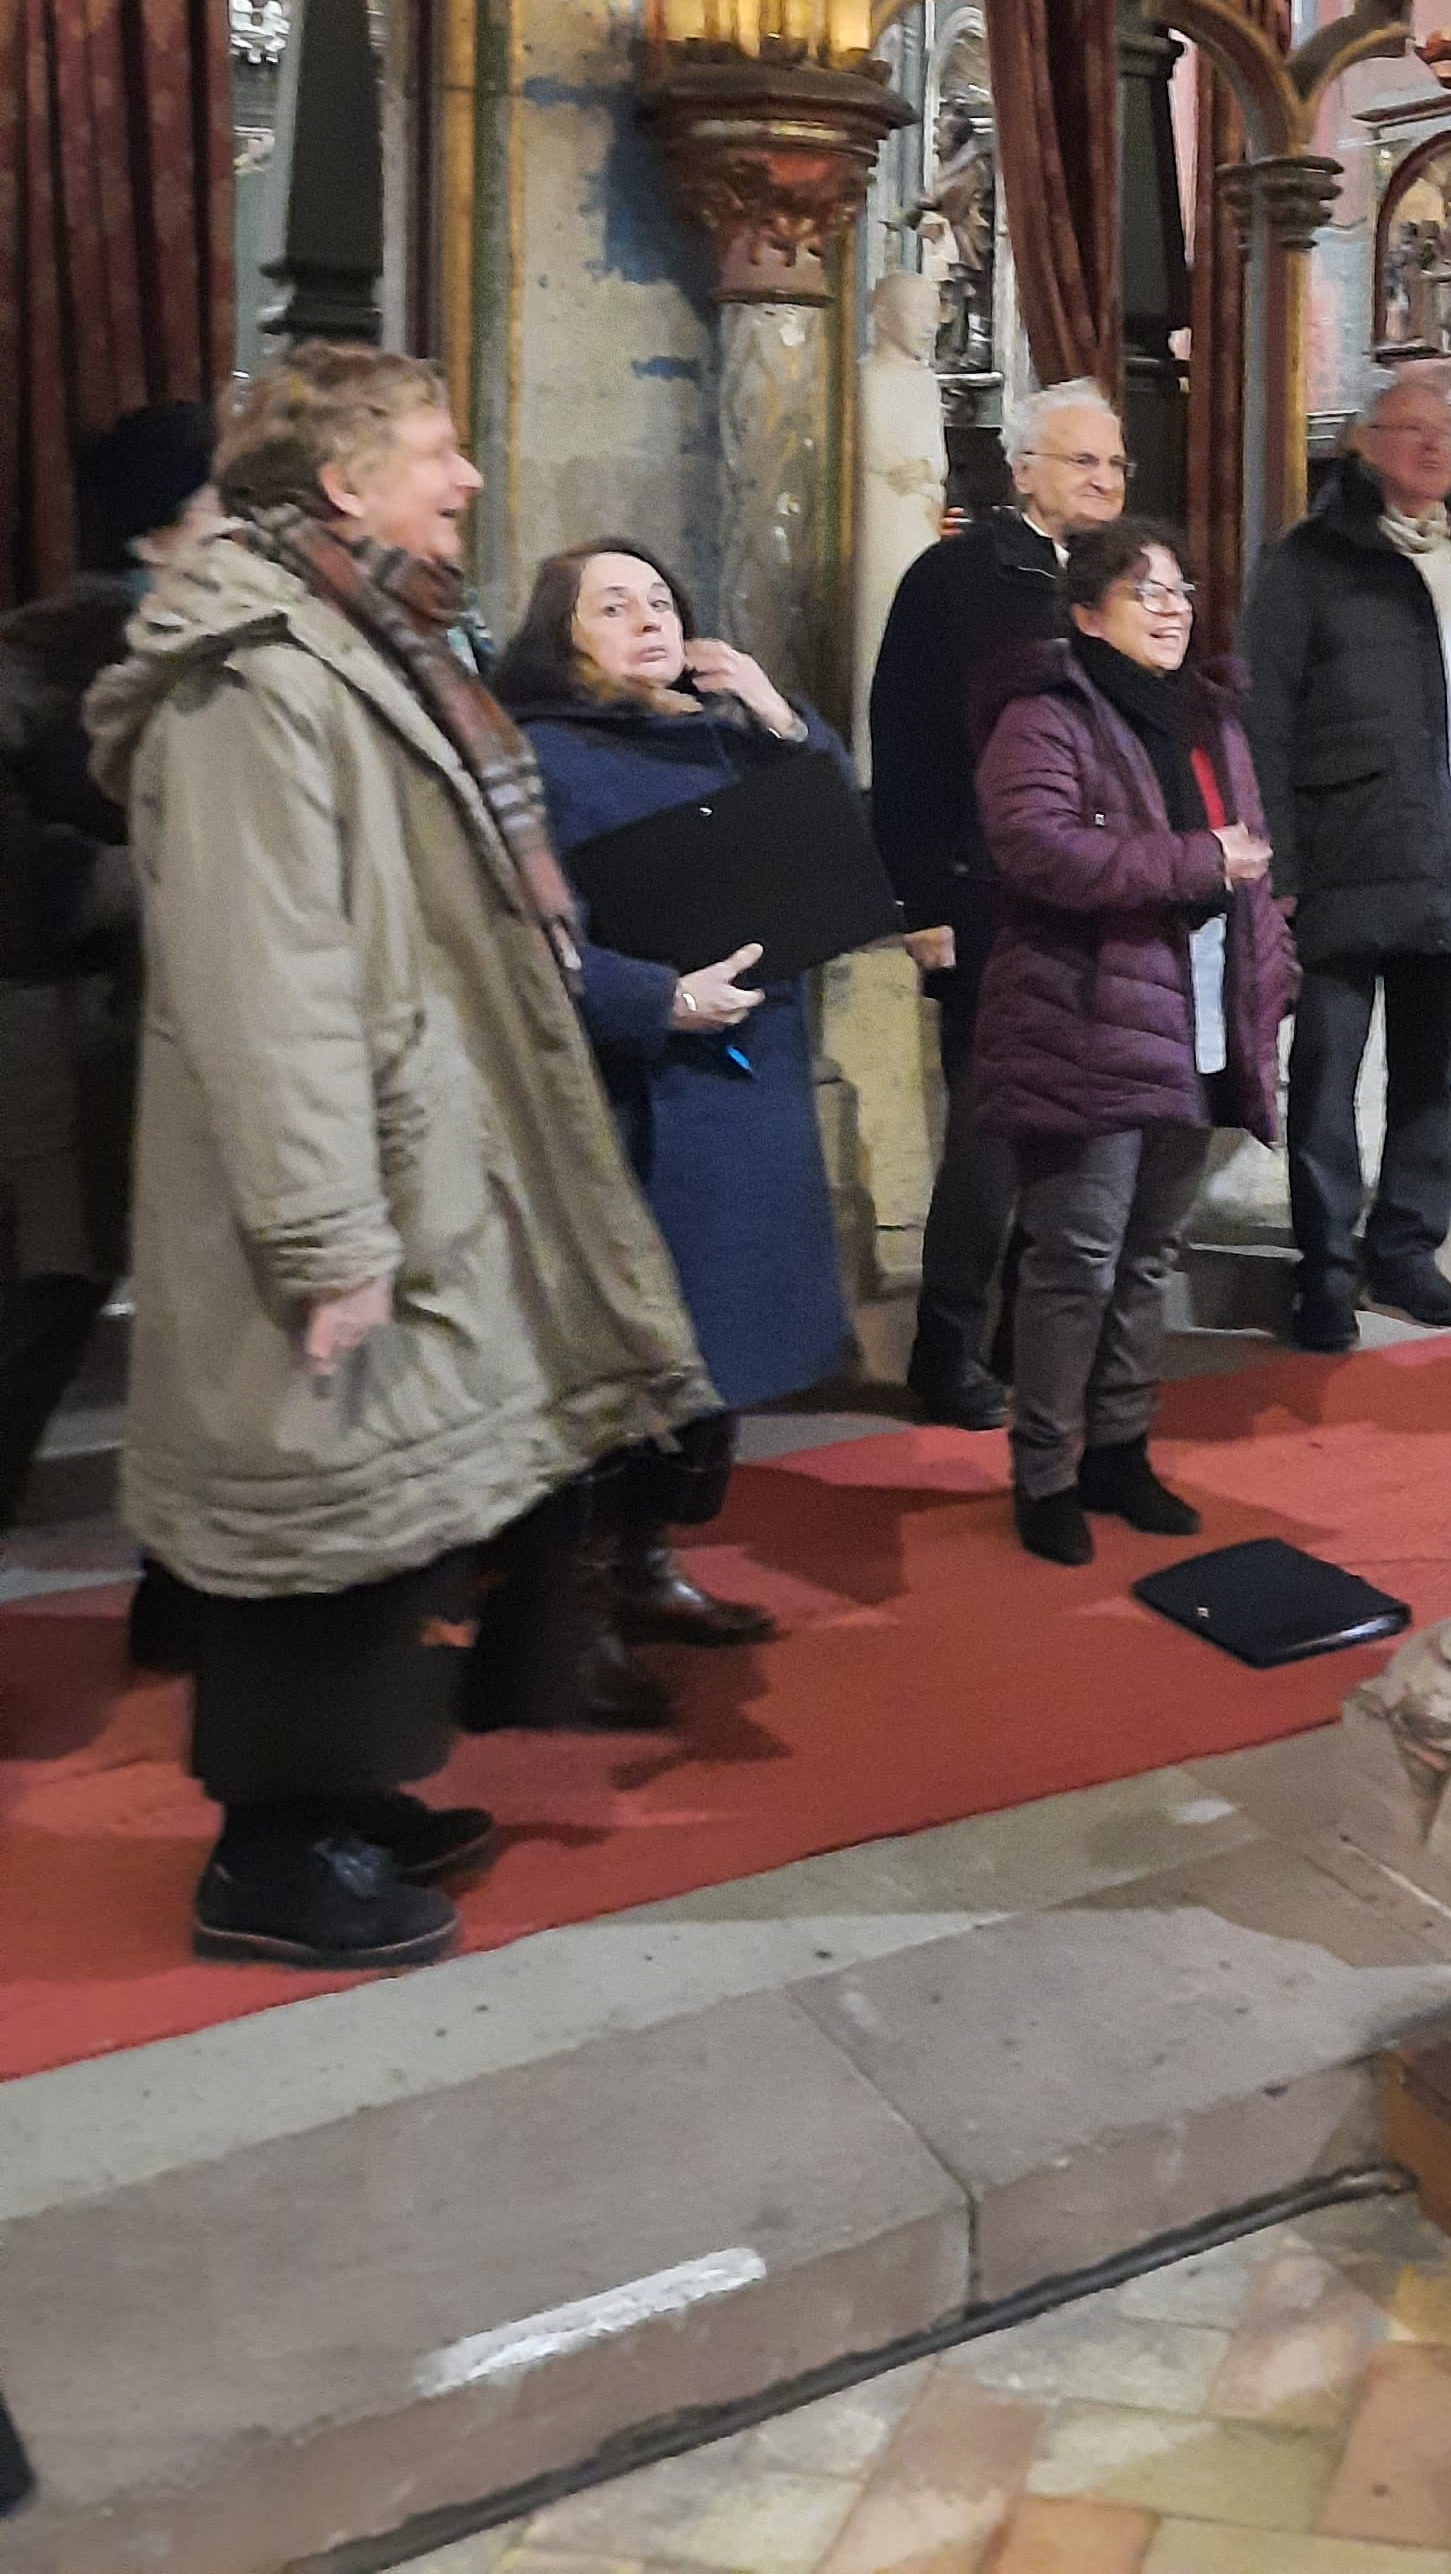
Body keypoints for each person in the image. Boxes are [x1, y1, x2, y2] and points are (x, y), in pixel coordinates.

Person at [85, 347, 713, 1971]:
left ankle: (343, 1798)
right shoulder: (253, 668)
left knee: (382, 1516)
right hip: (325, 1177)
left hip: (405, 1144)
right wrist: (321, 1230)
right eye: (439, 449)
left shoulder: (363, 632)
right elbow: (259, 972)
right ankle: (268, 1863)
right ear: (345, 483)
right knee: (315, 1516)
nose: (470, 477)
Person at [495, 545, 858, 1670]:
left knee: (716, 1356)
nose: (649, 617)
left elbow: (830, 826)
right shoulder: (540, 758)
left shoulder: (725, 731)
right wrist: (657, 998)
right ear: (563, 638)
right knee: (629, 1360)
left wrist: (776, 712)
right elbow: (519, 945)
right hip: (638, 1096)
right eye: (615, 605)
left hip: (750, 1092)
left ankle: (650, 1560)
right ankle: (572, 1609)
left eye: (661, 598)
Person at [974, 518, 1296, 1561]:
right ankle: (1045, 1470)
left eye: (1179, 588)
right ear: (1084, 613)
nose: (1170, 606)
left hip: (1197, 1014)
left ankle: (1120, 1446)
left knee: (1152, 1251)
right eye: (1142, 589)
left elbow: (1254, 863)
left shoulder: (1211, 719)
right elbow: (1038, 848)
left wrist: (1271, 974)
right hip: (1086, 1014)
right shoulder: (1046, 711)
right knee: (1076, 1254)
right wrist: (1194, 862)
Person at [870, 378, 1127, 1426]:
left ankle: (1037, 1336)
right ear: (1022, 468)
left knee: (1075, 1136)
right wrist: (918, 897)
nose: (1104, 480)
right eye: (1082, 461)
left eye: (1115, 464)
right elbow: (910, 747)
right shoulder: (956, 579)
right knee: (988, 1139)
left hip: (1100, 901)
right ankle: (946, 1348)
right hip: (986, 897)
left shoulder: (1132, 581)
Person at [0, 404, 223, 1538]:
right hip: (60, 1049)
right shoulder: (49, 660)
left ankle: (180, 1607)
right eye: (219, 507)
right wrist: (171, 876)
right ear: (154, 536)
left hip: (147, 1043)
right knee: (40, 1305)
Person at [1244, 376, 1451, 1351]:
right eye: (1411, 430)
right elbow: (1264, 720)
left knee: (1431, 1069)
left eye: (1447, 430)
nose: (1433, 446)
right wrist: (1280, 866)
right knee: (1329, 1069)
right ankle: (1326, 1269)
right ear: (1362, 444)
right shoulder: (1309, 561)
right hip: (1345, 844)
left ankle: (1408, 1251)